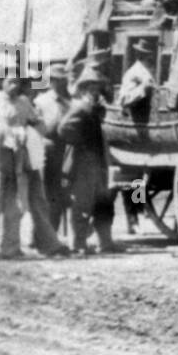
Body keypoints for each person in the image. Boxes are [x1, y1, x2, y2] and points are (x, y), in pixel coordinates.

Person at [0, 72, 68, 260]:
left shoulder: (24, 103)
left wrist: (30, 132)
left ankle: (11, 248)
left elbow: (39, 123)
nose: (14, 85)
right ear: (2, 82)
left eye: (17, 81)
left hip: (18, 159)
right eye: (10, 81)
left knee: (15, 205)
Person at [59, 65, 118, 255]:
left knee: (102, 202)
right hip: (83, 163)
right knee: (82, 204)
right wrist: (81, 144)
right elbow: (64, 129)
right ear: (83, 89)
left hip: (98, 162)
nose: (95, 91)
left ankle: (104, 243)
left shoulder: (95, 108)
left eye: (97, 88)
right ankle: (78, 244)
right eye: (91, 88)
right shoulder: (80, 108)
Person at [33, 61, 72, 232]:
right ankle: (41, 234)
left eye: (62, 79)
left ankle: (52, 233)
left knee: (62, 192)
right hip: (48, 147)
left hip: (67, 149)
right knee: (46, 194)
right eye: (55, 79)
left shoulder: (71, 101)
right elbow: (34, 127)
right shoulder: (41, 101)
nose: (59, 83)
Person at [118, 37, 158, 113]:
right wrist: (144, 88)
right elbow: (124, 99)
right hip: (140, 114)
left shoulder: (149, 69)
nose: (152, 57)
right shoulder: (132, 73)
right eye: (149, 54)